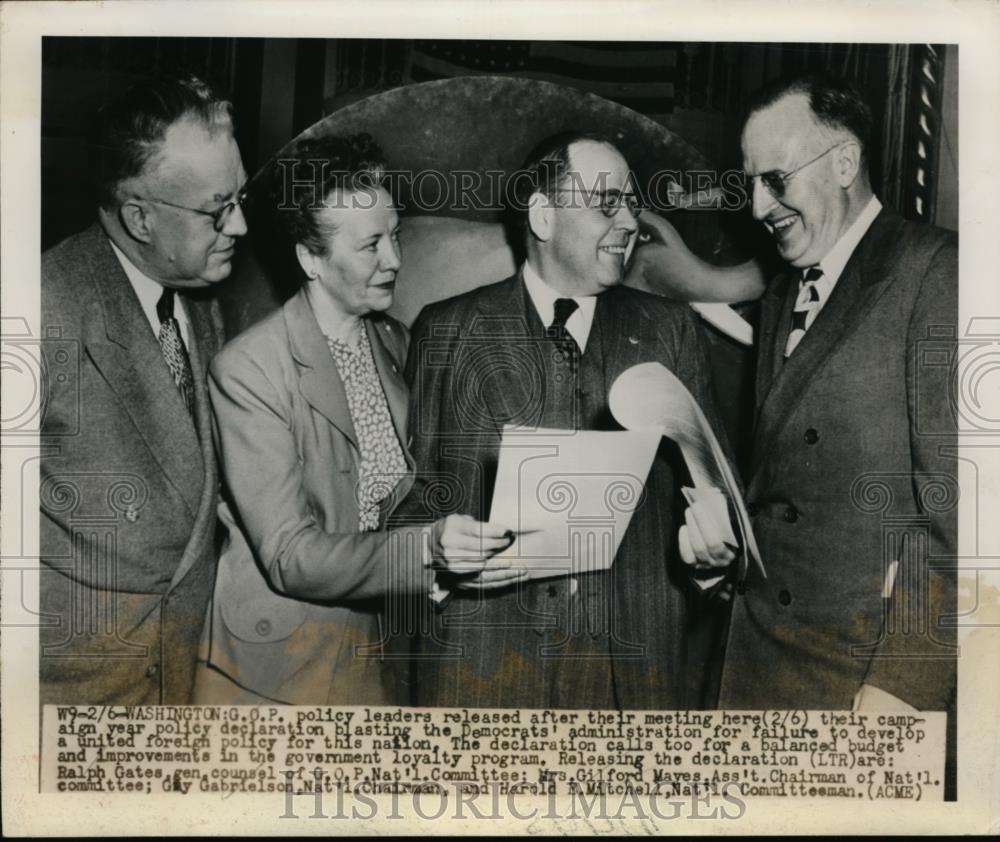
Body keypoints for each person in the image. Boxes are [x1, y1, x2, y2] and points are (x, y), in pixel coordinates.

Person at [399, 131, 736, 710]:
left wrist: (714, 563)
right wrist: (438, 556)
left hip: (628, 683)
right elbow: (412, 501)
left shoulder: (671, 332)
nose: (630, 222)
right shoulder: (446, 331)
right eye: (607, 204)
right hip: (484, 677)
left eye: (632, 204)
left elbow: (718, 501)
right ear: (543, 216)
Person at [194, 134, 516, 705]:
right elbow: (290, 556)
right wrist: (427, 551)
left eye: (396, 235)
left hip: (374, 658)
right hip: (278, 673)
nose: (395, 259)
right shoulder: (249, 369)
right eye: (371, 245)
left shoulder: (393, 340)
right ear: (310, 259)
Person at [713, 75, 957, 715]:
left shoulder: (936, 272)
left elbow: (962, 514)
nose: (758, 208)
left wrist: (903, 686)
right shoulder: (781, 295)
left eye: (776, 180)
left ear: (845, 163)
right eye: (750, 184)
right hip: (759, 664)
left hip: (859, 683)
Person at [39, 75, 247, 704]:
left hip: (176, 682)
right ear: (140, 218)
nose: (240, 225)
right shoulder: (41, 307)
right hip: (74, 696)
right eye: (218, 209)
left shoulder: (203, 304)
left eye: (241, 196)